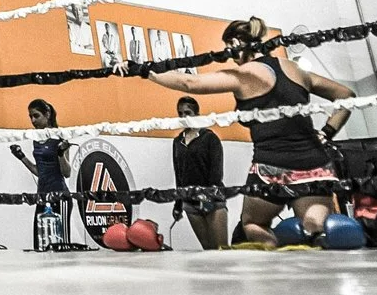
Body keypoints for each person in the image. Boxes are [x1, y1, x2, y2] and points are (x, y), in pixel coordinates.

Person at [146, 17, 350, 244]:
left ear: (235, 43)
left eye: (230, 51)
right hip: (314, 164)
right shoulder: (295, 69)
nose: (231, 57)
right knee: (315, 226)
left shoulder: (246, 75)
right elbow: (346, 95)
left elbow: (189, 84)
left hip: (271, 165)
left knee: (253, 223)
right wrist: (326, 132)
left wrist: (146, 71)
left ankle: (280, 268)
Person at [7, 99, 71, 249]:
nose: (33, 120)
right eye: (30, 117)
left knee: (62, 245)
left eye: (36, 116)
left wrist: (61, 154)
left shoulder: (60, 137)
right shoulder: (36, 139)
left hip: (59, 195)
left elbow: (67, 173)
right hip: (41, 196)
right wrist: (21, 157)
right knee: (39, 244)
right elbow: (39, 171)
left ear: (47, 114)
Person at [171, 96, 227, 249]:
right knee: (207, 249)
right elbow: (179, 174)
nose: (183, 117)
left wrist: (208, 197)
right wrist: (178, 203)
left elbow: (216, 172)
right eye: (180, 113)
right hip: (190, 202)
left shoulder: (210, 138)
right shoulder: (177, 142)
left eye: (187, 113)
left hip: (213, 200)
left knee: (222, 251)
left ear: (197, 114)